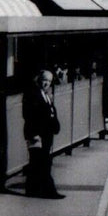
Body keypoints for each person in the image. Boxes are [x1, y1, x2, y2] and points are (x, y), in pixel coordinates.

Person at [22, 70, 63, 198]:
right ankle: (49, 190)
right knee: (43, 162)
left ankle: (32, 189)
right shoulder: (32, 93)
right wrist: (34, 133)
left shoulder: (44, 94)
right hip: (37, 134)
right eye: (45, 80)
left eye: (50, 81)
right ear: (39, 79)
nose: (47, 83)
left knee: (37, 162)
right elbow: (29, 115)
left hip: (46, 133)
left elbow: (50, 111)